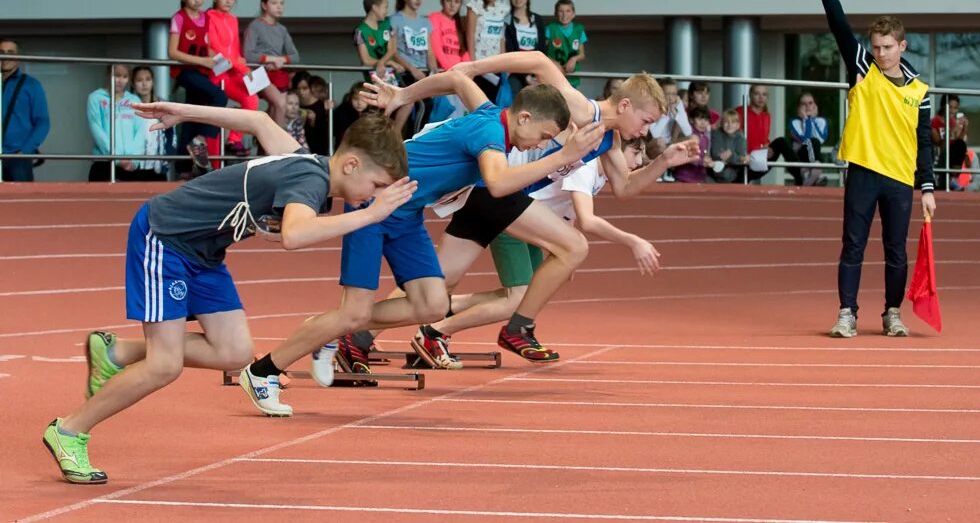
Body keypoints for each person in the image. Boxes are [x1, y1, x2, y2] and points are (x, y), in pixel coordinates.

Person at [42, 103, 414, 484]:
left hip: (204, 254)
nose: (375, 196)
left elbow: (258, 121)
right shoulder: (311, 180)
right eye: (377, 186)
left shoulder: (309, 163)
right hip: (166, 238)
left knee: (234, 353)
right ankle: (69, 430)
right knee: (164, 365)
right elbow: (295, 234)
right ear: (351, 165)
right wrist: (372, 215)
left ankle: (116, 351)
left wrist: (182, 112)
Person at [243, 68, 608, 413]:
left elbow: (455, 78)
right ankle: (264, 370)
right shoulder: (490, 135)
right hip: (373, 202)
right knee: (354, 310)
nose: (542, 144)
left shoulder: (489, 112)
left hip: (406, 215)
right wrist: (564, 155)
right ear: (524, 118)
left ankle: (331, 328)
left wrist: (404, 94)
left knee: (433, 305)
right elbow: (497, 184)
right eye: (544, 136)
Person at [331, 51, 698, 372]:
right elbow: (538, 60)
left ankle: (357, 335)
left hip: (488, 193)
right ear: (624, 106)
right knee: (573, 246)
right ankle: (519, 326)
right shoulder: (581, 110)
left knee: (440, 283)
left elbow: (626, 188)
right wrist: (474, 67)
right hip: (498, 187)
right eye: (647, 121)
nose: (644, 131)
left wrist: (664, 161)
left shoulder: (609, 139)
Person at [409, 136, 665, 369]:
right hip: (515, 219)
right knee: (519, 300)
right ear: (616, 153)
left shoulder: (596, 174)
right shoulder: (586, 167)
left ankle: (448, 308)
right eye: (636, 153)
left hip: (532, 224)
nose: (638, 162)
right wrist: (632, 241)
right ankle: (435, 331)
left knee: (529, 293)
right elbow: (587, 221)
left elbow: (565, 212)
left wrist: (565, 257)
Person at [806, 0, 935, 339]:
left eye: (888, 47)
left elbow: (923, 143)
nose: (881, 53)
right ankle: (847, 313)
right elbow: (840, 28)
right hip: (862, 171)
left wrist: (926, 187)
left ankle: (892, 313)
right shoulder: (862, 67)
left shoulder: (920, 91)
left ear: (902, 45)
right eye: (876, 46)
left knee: (896, 251)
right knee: (853, 246)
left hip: (899, 178)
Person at [168, 0, 227, 174]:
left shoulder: (206, 17)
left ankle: (183, 168)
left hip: (203, 71)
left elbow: (207, 47)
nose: (197, 0)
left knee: (190, 117)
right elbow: (173, 52)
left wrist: (220, 61)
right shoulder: (179, 18)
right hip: (186, 71)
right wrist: (202, 61)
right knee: (220, 96)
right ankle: (200, 140)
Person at [206, 0, 259, 157]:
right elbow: (216, 46)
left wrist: (242, 65)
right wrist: (242, 68)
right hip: (218, 70)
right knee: (215, 117)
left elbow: (235, 49)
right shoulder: (209, 16)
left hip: (232, 71)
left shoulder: (233, 19)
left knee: (251, 99)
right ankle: (214, 160)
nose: (228, 1)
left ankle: (234, 140)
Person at [243, 0, 301, 126]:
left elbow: (295, 57)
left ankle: (267, 146)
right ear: (264, 5)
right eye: (274, 3)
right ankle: (279, 145)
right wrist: (270, 59)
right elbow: (247, 54)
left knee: (275, 109)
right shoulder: (255, 26)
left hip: (276, 74)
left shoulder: (282, 29)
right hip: (255, 73)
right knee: (280, 103)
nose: (279, 7)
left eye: (281, 3)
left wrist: (282, 60)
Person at [355, 0, 411, 132]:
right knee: (381, 112)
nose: (387, 10)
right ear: (374, 7)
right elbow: (366, 59)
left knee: (408, 101)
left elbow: (392, 50)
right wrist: (387, 62)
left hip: (392, 76)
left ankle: (396, 134)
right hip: (375, 79)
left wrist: (383, 62)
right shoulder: (361, 30)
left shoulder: (387, 24)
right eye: (385, 6)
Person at [389, 0, 438, 131]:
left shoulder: (425, 22)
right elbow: (393, 51)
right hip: (406, 72)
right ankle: (400, 137)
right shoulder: (394, 20)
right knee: (417, 104)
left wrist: (434, 71)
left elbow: (430, 50)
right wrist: (412, 69)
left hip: (423, 72)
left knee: (428, 106)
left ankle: (417, 138)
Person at [1, 38, 50, 182]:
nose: (5, 56)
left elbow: (43, 123)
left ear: (18, 57)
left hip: (18, 158)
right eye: (1, 52)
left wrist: (24, 152)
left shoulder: (32, 85)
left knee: (20, 203)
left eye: (10, 52)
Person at [86, 64, 145, 182]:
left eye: (125, 76)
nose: (120, 80)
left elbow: (140, 131)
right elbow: (96, 128)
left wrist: (133, 160)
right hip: (104, 163)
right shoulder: (95, 98)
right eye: (116, 75)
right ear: (108, 75)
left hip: (130, 166)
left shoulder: (135, 100)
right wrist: (116, 158)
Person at [734, 84, 800, 184]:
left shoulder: (766, 115)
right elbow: (734, 140)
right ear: (751, 95)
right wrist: (760, 147)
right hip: (744, 159)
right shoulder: (739, 112)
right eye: (757, 94)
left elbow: (764, 139)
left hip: (760, 158)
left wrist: (766, 146)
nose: (761, 97)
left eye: (764, 94)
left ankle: (800, 177)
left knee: (781, 142)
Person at [428, 0, 471, 122]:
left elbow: (464, 51)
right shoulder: (434, 18)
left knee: (461, 116)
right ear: (442, 1)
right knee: (443, 116)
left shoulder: (459, 23)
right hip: (445, 74)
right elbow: (436, 47)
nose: (453, 5)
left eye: (457, 1)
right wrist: (451, 70)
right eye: (449, 0)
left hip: (459, 75)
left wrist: (468, 70)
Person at [465, 0, 510, 102]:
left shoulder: (503, 7)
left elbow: (501, 37)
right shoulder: (475, 4)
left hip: (495, 64)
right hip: (479, 64)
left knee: (495, 103)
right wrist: (472, 63)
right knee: (479, 103)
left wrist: (504, 62)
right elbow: (470, 34)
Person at [501, 0, 547, 95]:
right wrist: (526, 77)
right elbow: (511, 51)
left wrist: (536, 74)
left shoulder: (538, 19)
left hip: (536, 69)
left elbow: (542, 49)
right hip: (516, 70)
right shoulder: (507, 20)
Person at [128, 65, 174, 181]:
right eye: (139, 80)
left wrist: (168, 155)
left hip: (157, 166)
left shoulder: (163, 105)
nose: (144, 84)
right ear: (133, 84)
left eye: (148, 79)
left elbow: (171, 134)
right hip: (133, 166)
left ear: (153, 82)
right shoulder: (127, 106)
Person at [544, 0, 587, 89]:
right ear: (556, 14)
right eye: (561, 11)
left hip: (572, 77)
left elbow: (582, 54)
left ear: (573, 14)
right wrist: (553, 62)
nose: (564, 15)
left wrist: (574, 59)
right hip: (554, 75)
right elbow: (542, 52)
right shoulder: (550, 28)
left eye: (568, 11)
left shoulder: (578, 29)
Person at [790, 91, 830, 186]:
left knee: (815, 142)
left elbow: (820, 139)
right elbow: (805, 139)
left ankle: (811, 174)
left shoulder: (821, 121)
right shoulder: (794, 122)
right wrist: (806, 120)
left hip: (815, 151)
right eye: (803, 104)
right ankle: (814, 172)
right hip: (801, 154)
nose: (807, 106)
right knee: (811, 141)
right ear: (798, 108)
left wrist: (811, 120)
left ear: (815, 106)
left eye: (810, 103)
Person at [710, 109, 749, 183]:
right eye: (726, 122)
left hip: (735, 171)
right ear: (721, 124)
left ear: (738, 125)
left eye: (733, 122)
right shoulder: (716, 134)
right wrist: (737, 157)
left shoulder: (740, 137)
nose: (730, 125)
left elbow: (742, 157)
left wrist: (730, 155)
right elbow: (715, 155)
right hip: (717, 170)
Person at [674, 106, 712, 183]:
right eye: (699, 119)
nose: (703, 122)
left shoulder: (706, 138)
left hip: (700, 177)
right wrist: (703, 162)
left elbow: (705, 155)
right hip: (684, 177)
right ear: (691, 120)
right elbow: (688, 156)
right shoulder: (690, 135)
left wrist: (708, 160)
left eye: (706, 119)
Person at [333, 81, 369, 150]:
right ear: (350, 98)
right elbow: (333, 131)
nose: (359, 103)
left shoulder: (374, 114)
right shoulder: (342, 111)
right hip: (344, 150)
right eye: (355, 99)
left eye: (363, 100)